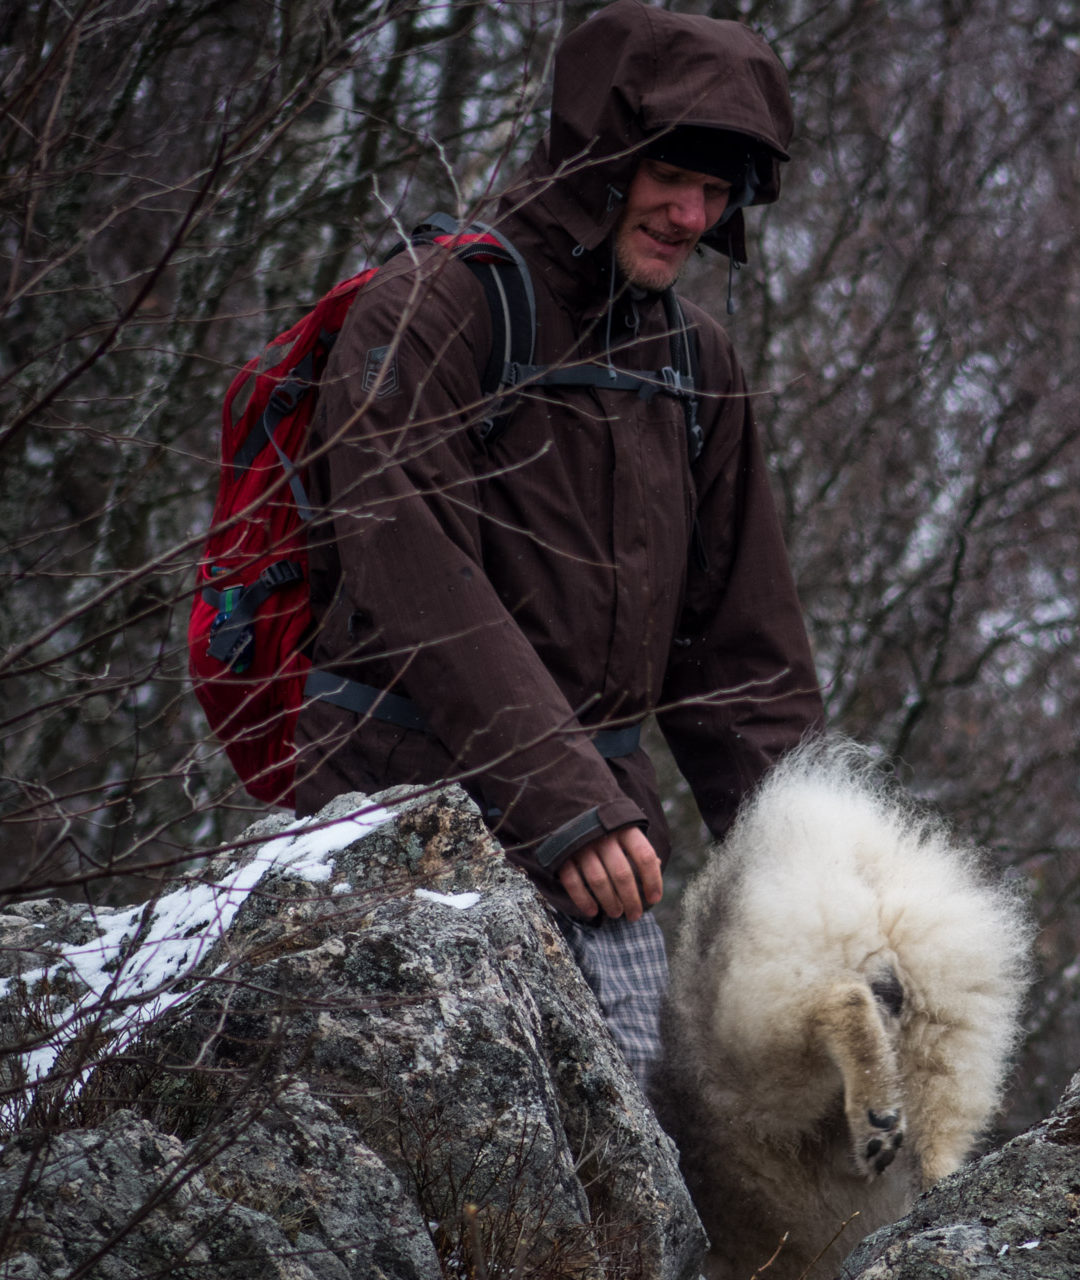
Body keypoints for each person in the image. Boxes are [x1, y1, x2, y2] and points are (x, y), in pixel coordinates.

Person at [291, 0, 824, 1086]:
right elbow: (413, 577)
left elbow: (740, 661)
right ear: (599, 155)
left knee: (632, 1199)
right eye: (670, 175)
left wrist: (818, 885)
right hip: (392, 818)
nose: (691, 213)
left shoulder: (696, 361)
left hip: (596, 837)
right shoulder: (430, 312)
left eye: (720, 190)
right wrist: (567, 805)